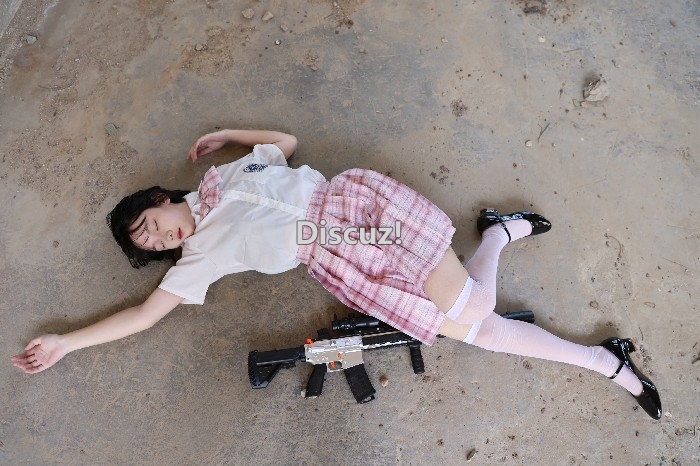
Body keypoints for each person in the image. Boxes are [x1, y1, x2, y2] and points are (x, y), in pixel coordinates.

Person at [11, 129, 662, 419]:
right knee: (480, 329)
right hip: (338, 257)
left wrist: (229, 132)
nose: (159, 239)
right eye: (149, 245)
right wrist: (67, 342)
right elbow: (144, 314)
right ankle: (596, 350)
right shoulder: (198, 258)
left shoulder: (223, 175)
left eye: (150, 224)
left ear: (159, 199)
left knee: (476, 316)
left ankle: (512, 250)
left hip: (355, 211)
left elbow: (285, 144)